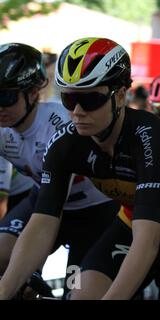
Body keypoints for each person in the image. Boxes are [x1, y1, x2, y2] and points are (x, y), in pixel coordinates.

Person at [0, 38, 160, 300]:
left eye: (89, 100)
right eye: (69, 98)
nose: (77, 111)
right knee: (80, 296)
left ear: (120, 95)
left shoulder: (151, 137)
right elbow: (42, 222)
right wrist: (5, 290)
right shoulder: (67, 143)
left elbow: (147, 242)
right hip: (130, 225)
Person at [0, 43, 119, 299]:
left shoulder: (61, 124)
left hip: (95, 215)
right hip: (42, 201)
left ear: (33, 93)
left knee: (76, 294)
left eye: (5, 97)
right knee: (2, 256)